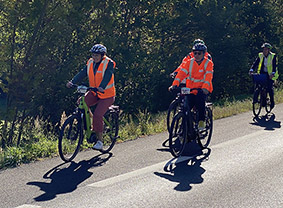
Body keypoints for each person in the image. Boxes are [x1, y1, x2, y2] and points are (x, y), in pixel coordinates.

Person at [66, 44, 116, 150]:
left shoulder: (109, 63)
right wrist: (72, 81)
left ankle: (100, 141)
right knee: (81, 102)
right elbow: (82, 73)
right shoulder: (90, 62)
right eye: (93, 55)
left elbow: (108, 75)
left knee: (98, 114)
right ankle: (90, 124)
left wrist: (102, 86)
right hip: (94, 93)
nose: (94, 57)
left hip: (107, 95)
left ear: (102, 55)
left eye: (97, 55)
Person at [169, 43, 214, 131]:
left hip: (202, 89)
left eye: (199, 53)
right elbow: (181, 74)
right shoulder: (189, 63)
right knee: (186, 106)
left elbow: (208, 77)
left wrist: (204, 88)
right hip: (190, 89)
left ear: (204, 54)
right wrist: (174, 85)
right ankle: (186, 127)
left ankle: (201, 121)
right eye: (195, 53)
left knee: (200, 102)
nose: (196, 55)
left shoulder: (208, 63)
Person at [249, 43, 278, 109]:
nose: (264, 51)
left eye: (266, 49)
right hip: (262, 73)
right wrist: (251, 69)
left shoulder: (273, 56)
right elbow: (256, 63)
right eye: (263, 49)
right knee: (258, 85)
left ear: (268, 50)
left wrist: (273, 73)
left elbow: (274, 66)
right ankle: (260, 100)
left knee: (269, 88)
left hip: (270, 74)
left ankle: (272, 102)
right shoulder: (260, 55)